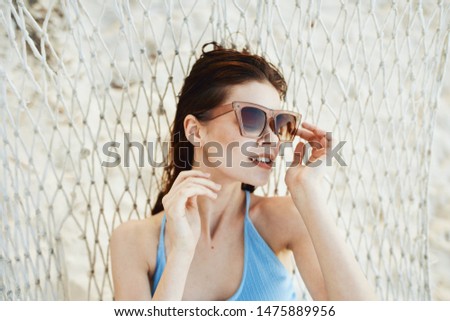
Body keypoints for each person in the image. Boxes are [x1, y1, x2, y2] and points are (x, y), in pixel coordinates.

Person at [110, 42, 377, 301]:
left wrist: (307, 189)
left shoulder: (282, 220)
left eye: (279, 124)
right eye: (252, 118)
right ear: (195, 130)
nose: (272, 140)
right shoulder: (134, 241)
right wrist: (181, 252)